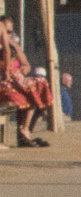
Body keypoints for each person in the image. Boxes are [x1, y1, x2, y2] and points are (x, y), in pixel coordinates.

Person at [0, 16, 54, 144]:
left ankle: (26, 131)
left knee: (37, 90)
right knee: (28, 95)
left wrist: (21, 70)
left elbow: (26, 64)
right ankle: (24, 132)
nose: (7, 35)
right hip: (8, 83)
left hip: (18, 81)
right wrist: (7, 69)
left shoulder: (14, 47)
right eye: (5, 32)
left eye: (10, 32)